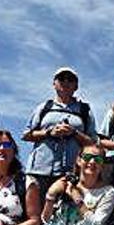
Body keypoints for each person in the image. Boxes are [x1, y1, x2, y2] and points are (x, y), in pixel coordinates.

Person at [22, 67, 98, 206]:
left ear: (76, 86)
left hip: (69, 173)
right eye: (61, 78)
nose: (66, 82)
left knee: (63, 219)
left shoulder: (84, 110)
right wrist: (49, 132)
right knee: (34, 219)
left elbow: (93, 142)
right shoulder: (44, 107)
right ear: (54, 83)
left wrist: (74, 133)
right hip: (38, 171)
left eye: (70, 79)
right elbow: (26, 134)